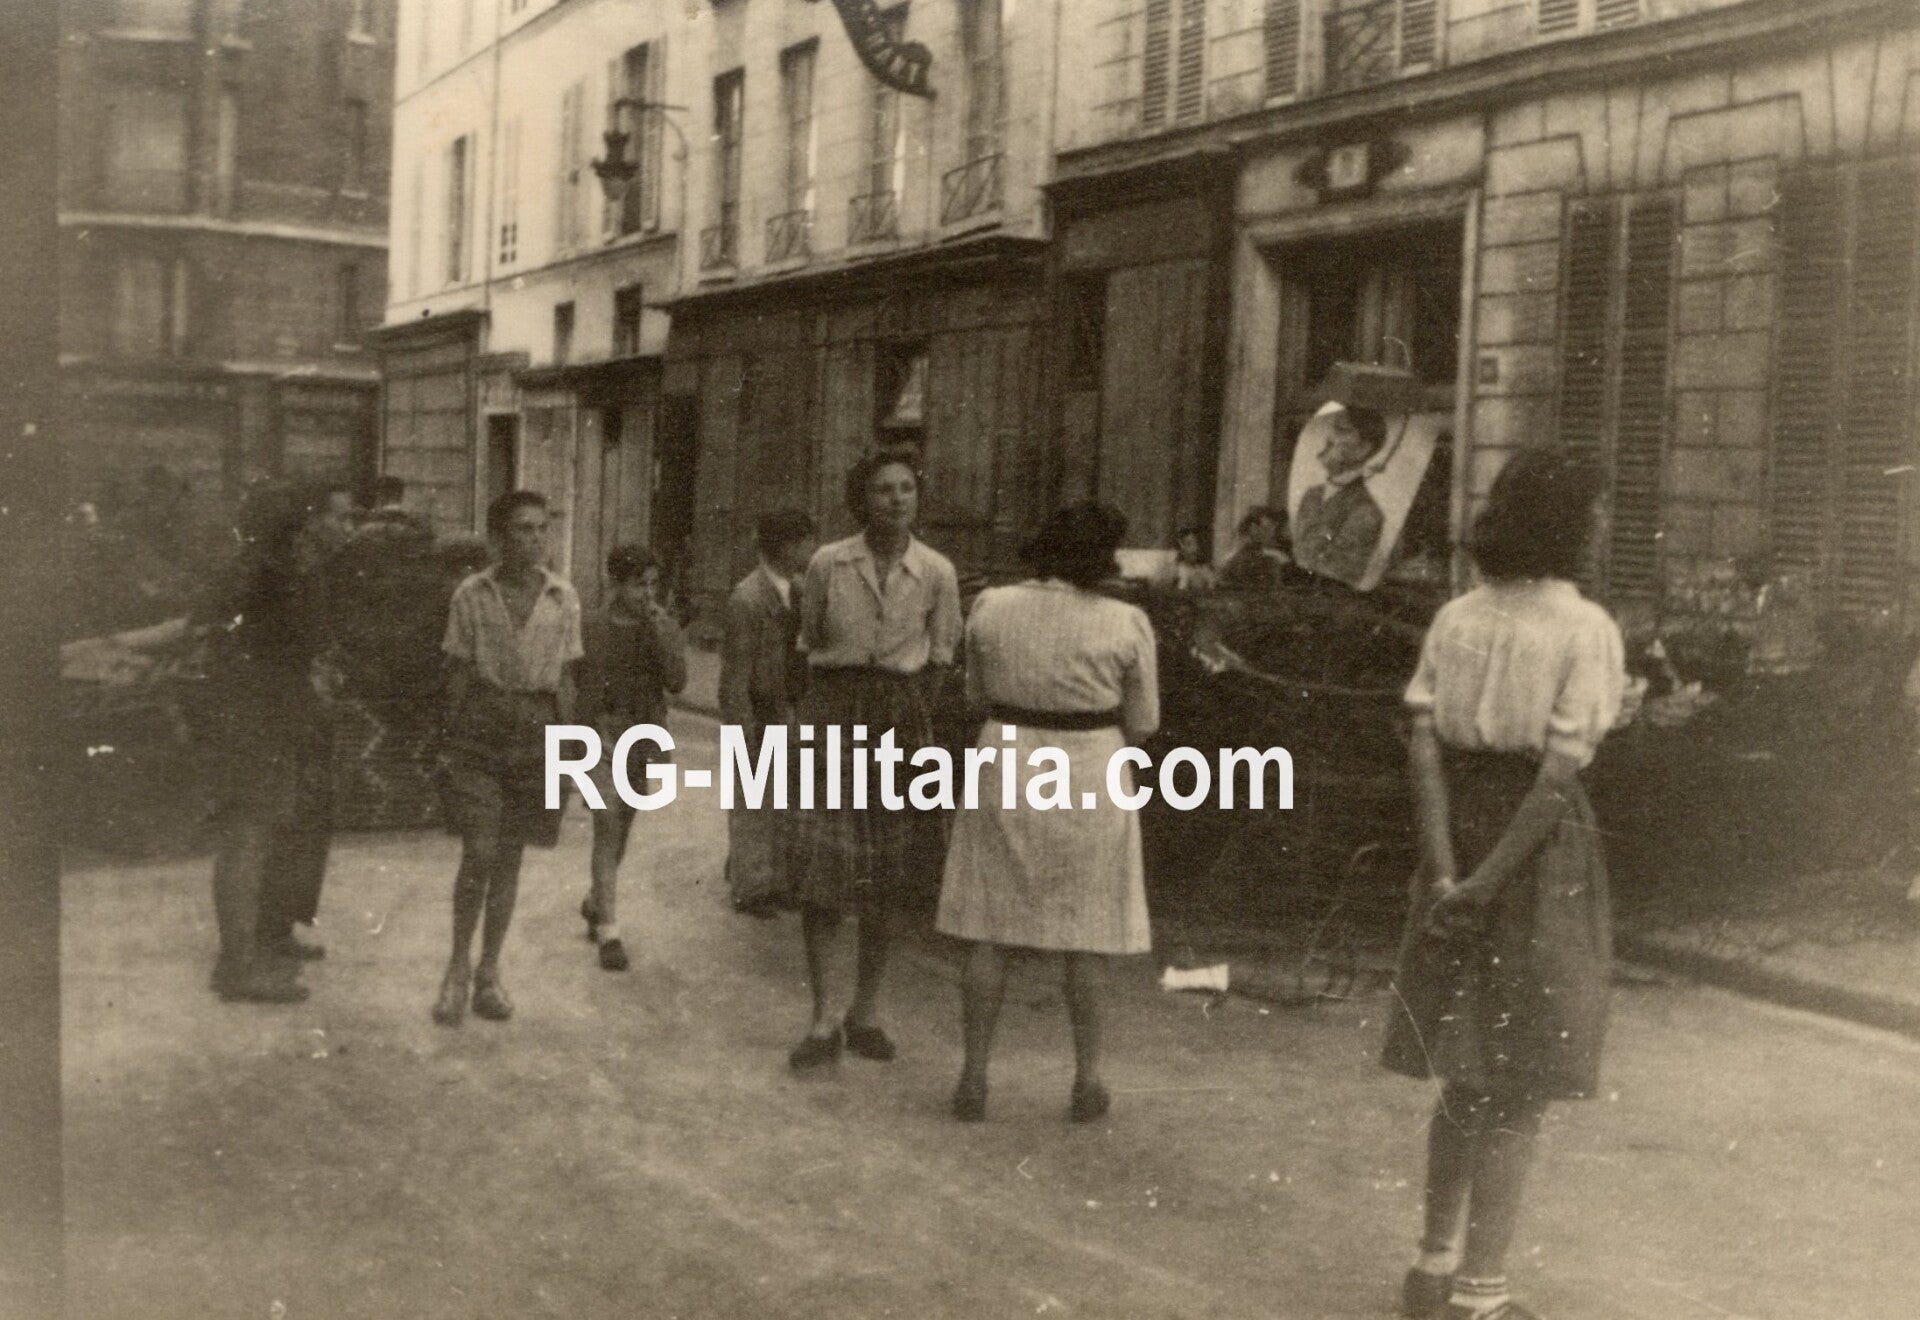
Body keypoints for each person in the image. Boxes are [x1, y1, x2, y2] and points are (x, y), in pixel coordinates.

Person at [1380, 448, 1627, 1320]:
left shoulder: (1457, 617)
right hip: (1535, 850)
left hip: (1458, 835)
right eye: (1594, 512)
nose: (1602, 527)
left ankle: (1431, 1267)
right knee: (1519, 1082)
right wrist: (1487, 882)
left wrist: (1447, 868)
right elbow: (1558, 775)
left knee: (1464, 1070)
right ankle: (1481, 1297)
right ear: (1571, 524)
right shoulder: (1584, 627)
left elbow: (1422, 744)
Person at [935, 503, 1159, 1124]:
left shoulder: (992, 606)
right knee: (1084, 934)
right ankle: (1087, 1081)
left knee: (989, 926)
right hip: (1090, 766)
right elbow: (1143, 723)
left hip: (1005, 758)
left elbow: (974, 694)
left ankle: (974, 1077)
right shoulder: (1125, 620)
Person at [787, 448, 962, 1071]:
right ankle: (824, 1017)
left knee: (888, 877)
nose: (895, 499)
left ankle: (867, 1012)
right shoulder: (828, 564)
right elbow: (808, 640)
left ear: (919, 497)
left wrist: (906, 713)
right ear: (860, 499)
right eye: (883, 489)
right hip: (834, 711)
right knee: (824, 875)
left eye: (906, 489)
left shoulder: (937, 570)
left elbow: (942, 658)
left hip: (902, 717)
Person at [432, 490, 584, 1025]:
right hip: (481, 730)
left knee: (510, 859)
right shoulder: (471, 595)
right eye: (524, 529)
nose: (536, 539)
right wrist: (446, 746)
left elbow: (565, 678)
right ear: (500, 537)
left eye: (543, 528)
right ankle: (455, 968)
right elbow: (455, 674)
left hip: (538, 733)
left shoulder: (564, 597)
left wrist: (571, 749)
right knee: (479, 852)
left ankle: (489, 973)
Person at [201, 479, 351, 1003]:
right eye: (336, 518)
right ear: (302, 527)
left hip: (259, 718)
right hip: (263, 721)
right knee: (248, 838)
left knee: (268, 833)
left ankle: (259, 943)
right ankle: (237, 966)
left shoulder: (256, 571)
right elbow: (306, 647)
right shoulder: (284, 578)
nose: (343, 528)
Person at [575, 543, 687, 971]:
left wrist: (663, 633)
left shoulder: (659, 625)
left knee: (622, 826)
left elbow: (678, 682)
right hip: (598, 733)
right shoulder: (592, 627)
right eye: (639, 585)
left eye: (653, 585)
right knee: (606, 823)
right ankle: (610, 932)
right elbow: (575, 683)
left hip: (641, 736)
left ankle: (595, 901)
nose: (648, 594)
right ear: (616, 584)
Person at [718, 508, 817, 918]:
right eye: (804, 542)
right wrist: (742, 726)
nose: (810, 550)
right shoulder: (748, 598)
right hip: (758, 707)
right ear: (783, 546)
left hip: (790, 705)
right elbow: (736, 671)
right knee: (754, 800)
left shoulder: (797, 589)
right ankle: (751, 886)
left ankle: (777, 881)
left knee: (788, 798)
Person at [1293, 404, 1389, 587]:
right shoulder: (1312, 495)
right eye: (1332, 430)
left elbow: (1336, 575)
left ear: (1363, 448)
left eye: (1342, 431)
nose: (1329, 439)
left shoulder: (1366, 512)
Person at [1217, 506, 1289, 591]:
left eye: (1272, 529)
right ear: (1253, 528)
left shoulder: (1278, 558)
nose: (1271, 534)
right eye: (1267, 528)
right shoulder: (1230, 560)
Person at [1154, 525, 1218, 593]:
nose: (1194, 549)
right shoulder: (1173, 569)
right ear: (1180, 547)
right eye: (1188, 544)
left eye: (1196, 544)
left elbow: (1212, 590)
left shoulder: (1205, 569)